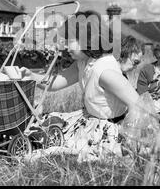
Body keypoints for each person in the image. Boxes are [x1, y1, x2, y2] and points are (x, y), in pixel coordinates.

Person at [20, 10, 148, 161]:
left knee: (62, 147)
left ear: (88, 39)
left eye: (69, 40)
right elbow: (55, 83)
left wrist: (130, 137)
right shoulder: (82, 63)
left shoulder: (105, 71)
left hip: (107, 126)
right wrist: (32, 76)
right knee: (43, 127)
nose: (65, 45)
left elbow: (138, 104)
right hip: (89, 119)